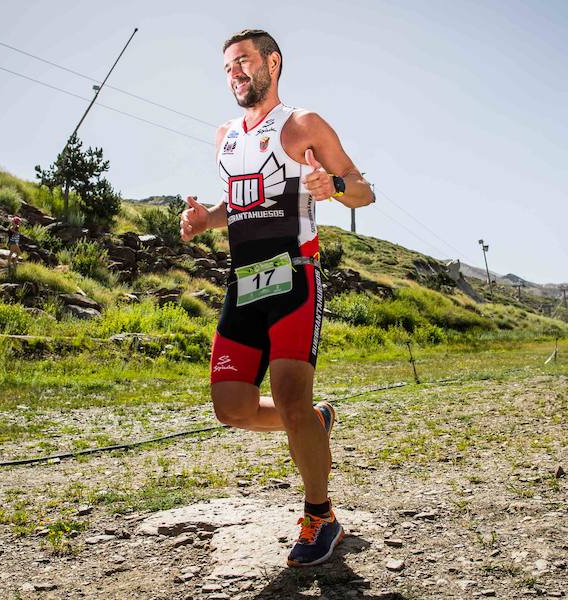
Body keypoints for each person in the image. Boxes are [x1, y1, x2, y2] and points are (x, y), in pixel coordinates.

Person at [180, 29, 374, 568]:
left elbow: (363, 189)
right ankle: (315, 420)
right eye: (227, 67)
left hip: (294, 275)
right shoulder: (223, 134)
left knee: (289, 396)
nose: (234, 73)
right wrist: (205, 219)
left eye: (243, 61)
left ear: (273, 62)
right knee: (231, 408)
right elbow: (237, 204)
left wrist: (332, 188)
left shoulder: (302, 125)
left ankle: (321, 516)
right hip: (244, 282)